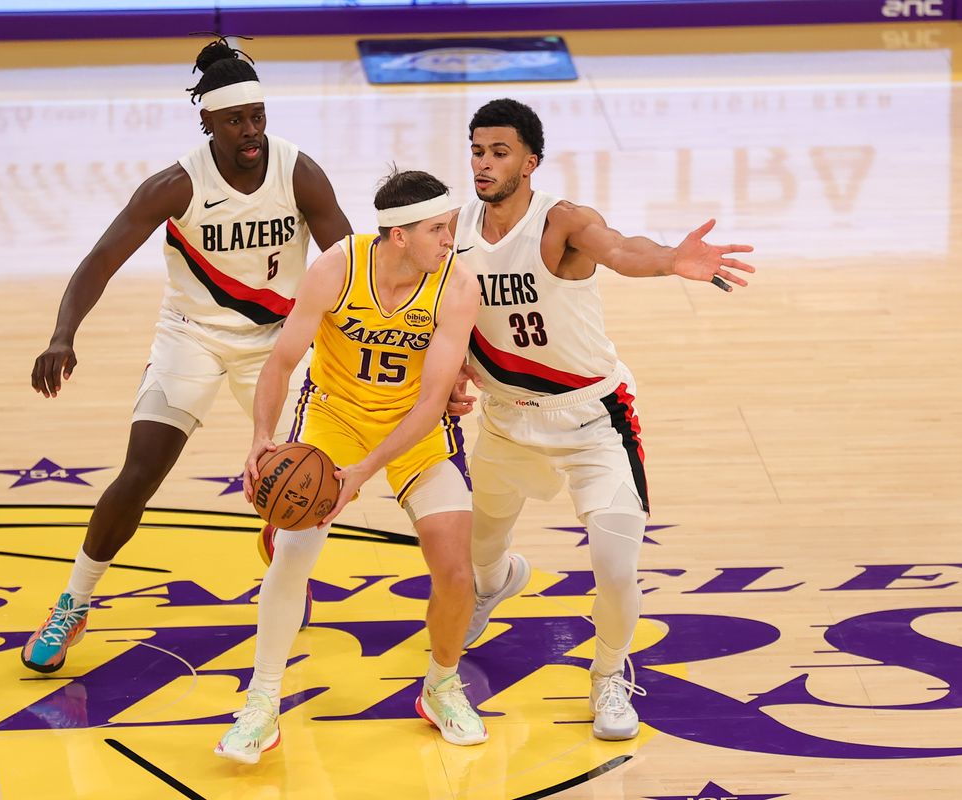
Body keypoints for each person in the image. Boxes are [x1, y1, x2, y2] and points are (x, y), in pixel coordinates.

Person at [21, 38, 352, 674]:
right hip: (192, 337)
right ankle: (74, 601)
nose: (251, 131)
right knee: (141, 471)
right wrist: (63, 334)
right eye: (235, 120)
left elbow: (350, 263)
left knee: (311, 472)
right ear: (206, 121)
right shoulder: (175, 185)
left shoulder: (298, 171)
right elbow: (101, 259)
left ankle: (284, 555)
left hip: (278, 344)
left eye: (257, 115)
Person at [447, 98, 755, 741]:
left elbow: (620, 249)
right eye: (477, 150)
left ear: (530, 162)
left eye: (499, 152)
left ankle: (610, 675)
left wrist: (672, 258)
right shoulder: (454, 231)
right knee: (481, 553)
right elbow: (433, 313)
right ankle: (497, 584)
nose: (483, 163)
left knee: (616, 568)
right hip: (506, 420)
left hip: (592, 421)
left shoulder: (561, 222)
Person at [215, 169, 483, 764]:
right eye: (439, 229)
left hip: (413, 429)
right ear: (398, 236)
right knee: (292, 556)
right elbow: (282, 362)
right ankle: (261, 706)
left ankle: (441, 686)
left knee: (457, 573)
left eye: (451, 228)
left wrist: (364, 472)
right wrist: (261, 437)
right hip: (333, 418)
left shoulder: (458, 286)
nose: (451, 240)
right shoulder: (336, 268)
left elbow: (433, 400)